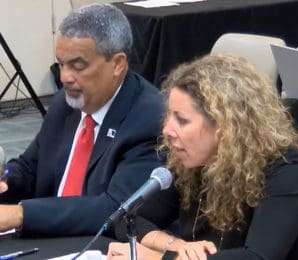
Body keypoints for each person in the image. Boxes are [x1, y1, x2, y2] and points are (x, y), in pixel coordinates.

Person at [0, 4, 177, 236]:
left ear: (117, 64)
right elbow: (29, 168)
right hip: (49, 233)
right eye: (61, 64)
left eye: (77, 66)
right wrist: (7, 180)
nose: (64, 77)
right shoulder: (65, 103)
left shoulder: (150, 119)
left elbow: (118, 209)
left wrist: (21, 214)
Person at [107, 53, 298, 259]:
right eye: (169, 115)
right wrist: (176, 245)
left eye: (181, 120)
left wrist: (156, 257)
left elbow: (258, 257)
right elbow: (127, 219)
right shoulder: (193, 161)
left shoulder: (286, 169)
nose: (167, 130)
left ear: (225, 126)